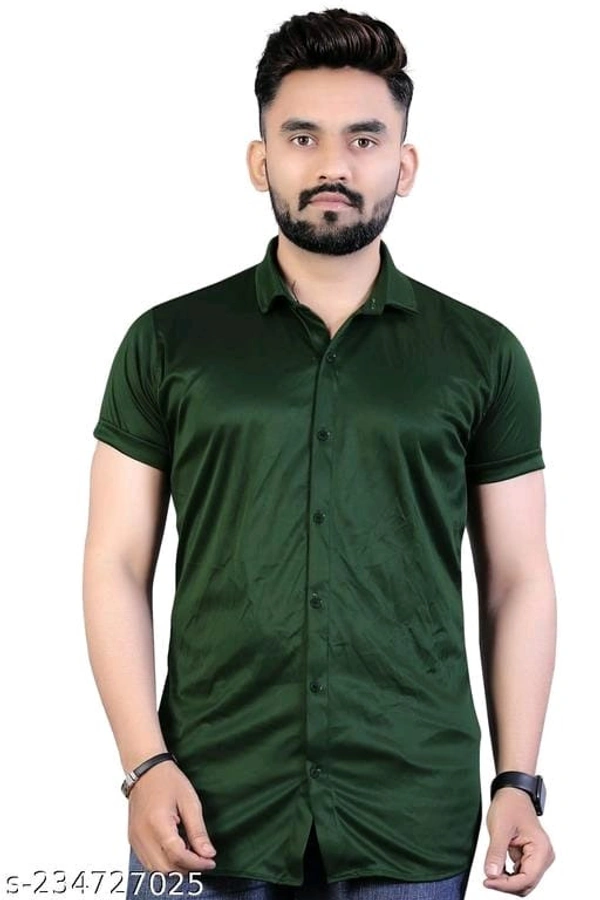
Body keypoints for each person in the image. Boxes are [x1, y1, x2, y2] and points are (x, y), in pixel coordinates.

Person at [83, 8, 557, 900]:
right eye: (302, 137)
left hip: (410, 807)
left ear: (403, 166)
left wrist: (518, 780)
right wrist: (143, 764)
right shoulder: (169, 342)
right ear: (260, 160)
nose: (333, 164)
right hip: (204, 802)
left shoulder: (483, 355)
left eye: (364, 139)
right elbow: (114, 563)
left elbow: (518, 578)